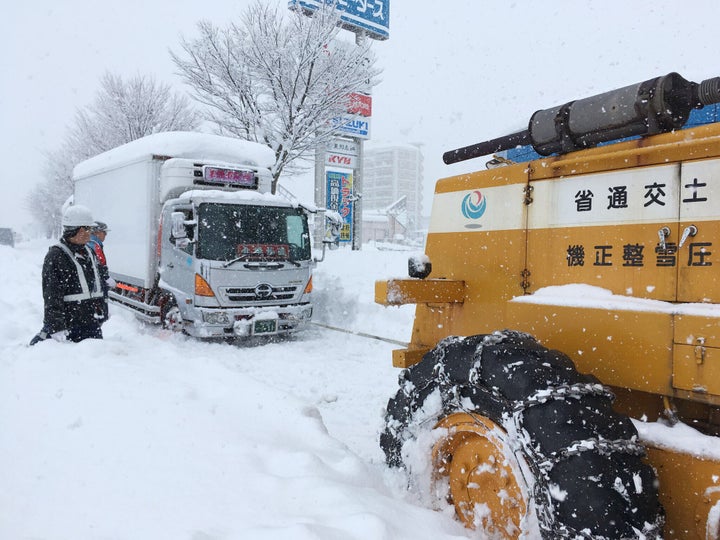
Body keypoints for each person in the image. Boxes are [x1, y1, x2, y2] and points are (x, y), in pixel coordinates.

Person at [29, 205, 106, 345]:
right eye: (88, 229)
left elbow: (94, 285)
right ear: (79, 230)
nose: (91, 233)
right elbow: (52, 295)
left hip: (90, 324)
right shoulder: (56, 256)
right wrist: (56, 327)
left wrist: (101, 311)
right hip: (69, 326)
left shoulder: (89, 252)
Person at [87, 221, 115, 322]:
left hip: (92, 286)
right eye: (104, 232)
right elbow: (99, 265)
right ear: (97, 232)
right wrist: (106, 278)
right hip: (97, 286)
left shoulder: (89, 243)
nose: (105, 235)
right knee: (101, 314)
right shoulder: (94, 245)